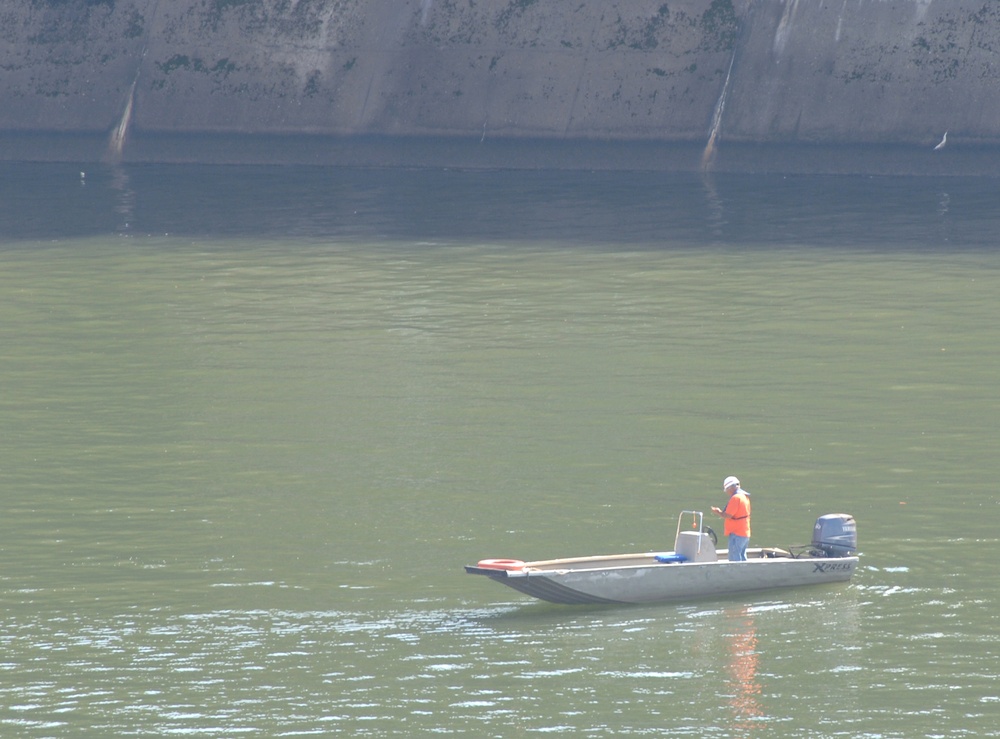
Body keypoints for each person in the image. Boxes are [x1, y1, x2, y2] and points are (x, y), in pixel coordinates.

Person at [711, 475, 751, 561]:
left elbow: (728, 515)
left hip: (737, 533)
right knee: (742, 555)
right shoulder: (744, 496)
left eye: (726, 490)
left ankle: (736, 573)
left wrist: (718, 512)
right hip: (745, 532)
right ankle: (743, 572)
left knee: (734, 557)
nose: (727, 492)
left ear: (730, 488)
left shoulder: (736, 498)